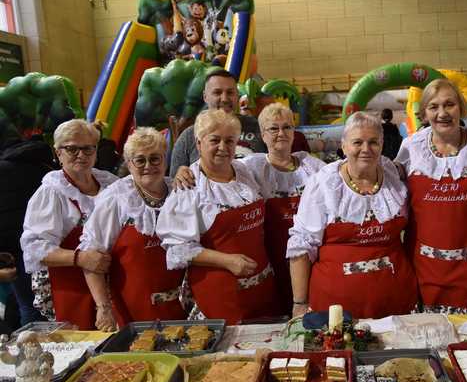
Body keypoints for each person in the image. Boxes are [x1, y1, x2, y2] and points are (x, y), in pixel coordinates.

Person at [287, 112, 418, 319]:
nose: (366, 149)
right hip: (335, 308)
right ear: (344, 145)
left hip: (397, 298)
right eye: (357, 142)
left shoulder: (394, 176)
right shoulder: (323, 184)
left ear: (382, 145)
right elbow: (301, 247)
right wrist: (299, 304)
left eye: (373, 142)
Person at [156, 109, 277, 324]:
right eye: (215, 140)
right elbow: (178, 249)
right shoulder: (189, 188)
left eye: (230, 141)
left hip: (262, 291)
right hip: (220, 294)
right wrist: (226, 261)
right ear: (199, 143)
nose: (223, 147)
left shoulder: (245, 171)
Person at [396, 79, 467, 312]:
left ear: (461, 106)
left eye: (449, 104)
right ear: (424, 112)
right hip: (424, 266)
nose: (442, 113)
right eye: (433, 107)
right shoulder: (411, 146)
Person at [80, 128, 186, 331]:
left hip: (181, 307)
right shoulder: (117, 199)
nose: (148, 166)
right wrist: (103, 308)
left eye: (155, 159)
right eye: (140, 160)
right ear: (129, 164)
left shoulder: (179, 190)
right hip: (133, 310)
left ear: (165, 160)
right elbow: (92, 258)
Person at [21, 120, 118, 329]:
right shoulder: (52, 192)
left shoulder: (111, 184)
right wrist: (80, 258)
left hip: (117, 285)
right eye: (72, 149)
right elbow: (34, 248)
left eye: (87, 148)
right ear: (58, 153)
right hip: (72, 287)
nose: (81, 155)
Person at [241, 103, 324, 315]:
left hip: (310, 260)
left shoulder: (312, 167)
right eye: (273, 128)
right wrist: (185, 171)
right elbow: (215, 171)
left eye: (287, 127)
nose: (281, 133)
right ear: (262, 134)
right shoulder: (251, 167)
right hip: (271, 259)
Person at [0, 134, 54, 326]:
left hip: (11, 251)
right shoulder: (45, 171)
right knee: (52, 305)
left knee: (28, 307)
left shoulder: (3, 169)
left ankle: (30, 350)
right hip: (46, 248)